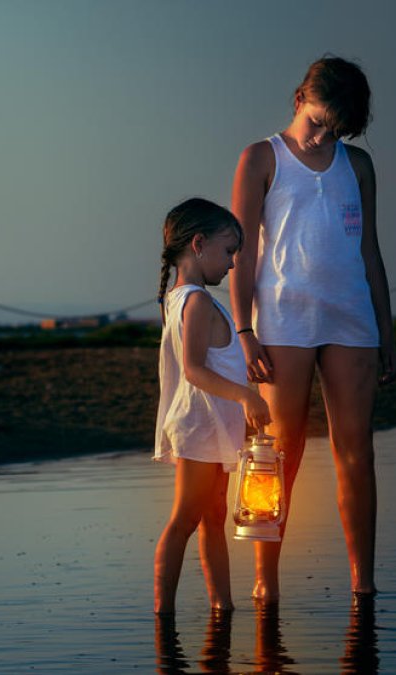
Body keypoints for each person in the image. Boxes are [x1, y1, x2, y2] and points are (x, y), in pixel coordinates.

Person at [230, 56, 396, 603]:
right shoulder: (262, 157)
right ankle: (265, 582)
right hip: (282, 319)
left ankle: (364, 585)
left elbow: (369, 251)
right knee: (278, 454)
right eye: (318, 121)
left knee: (358, 452)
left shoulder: (359, 166)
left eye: (335, 129)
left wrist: (386, 330)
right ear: (300, 96)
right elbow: (241, 257)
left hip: (352, 318)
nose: (323, 136)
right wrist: (244, 331)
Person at [153, 197, 273, 614]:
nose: (233, 264)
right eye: (228, 251)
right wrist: (245, 395)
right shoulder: (197, 301)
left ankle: (222, 606)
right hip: (199, 428)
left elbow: (213, 363)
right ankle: (162, 616)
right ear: (198, 244)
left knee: (212, 520)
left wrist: (244, 379)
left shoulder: (183, 297)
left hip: (211, 429)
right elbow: (193, 370)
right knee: (186, 519)